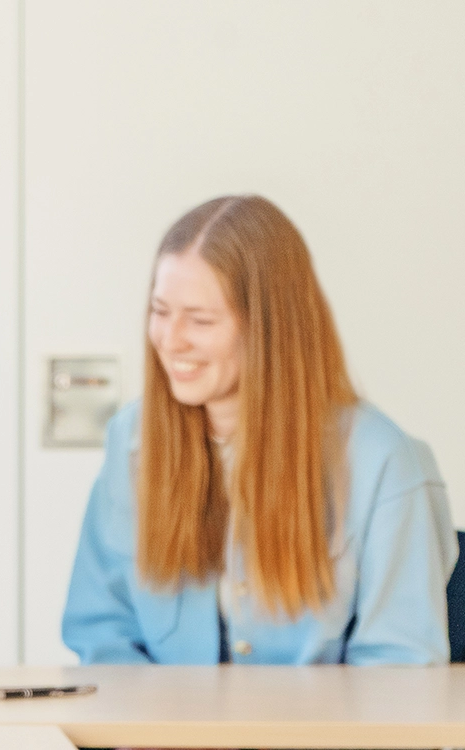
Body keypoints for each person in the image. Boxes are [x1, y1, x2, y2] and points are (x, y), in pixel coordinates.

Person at [62, 195, 456, 665]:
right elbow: (102, 633)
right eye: (161, 311)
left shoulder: (383, 460)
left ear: (270, 329)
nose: (170, 340)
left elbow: (400, 671)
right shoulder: (131, 439)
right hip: (159, 737)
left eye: (201, 319)